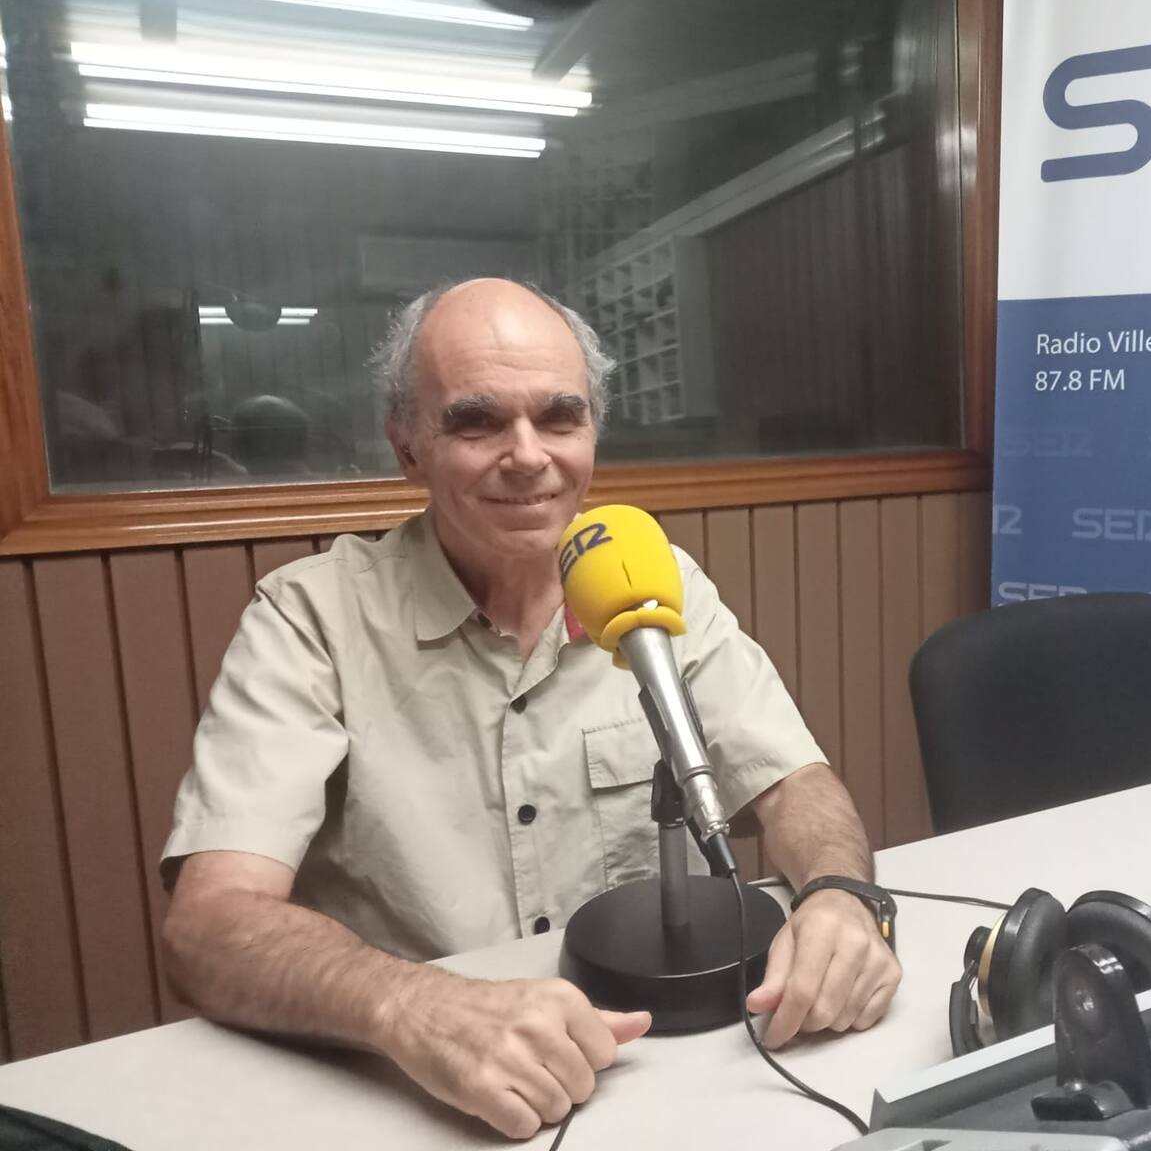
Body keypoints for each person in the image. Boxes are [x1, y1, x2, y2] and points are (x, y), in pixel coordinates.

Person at [161, 278, 900, 1141]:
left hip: (670, 1077)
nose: (527, 455)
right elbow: (209, 924)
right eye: (476, 421)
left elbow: (796, 783)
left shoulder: (659, 584)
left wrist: (843, 897)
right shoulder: (310, 620)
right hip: (426, 1099)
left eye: (559, 417)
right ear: (408, 446)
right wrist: (413, 1006)